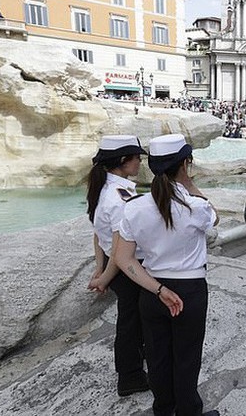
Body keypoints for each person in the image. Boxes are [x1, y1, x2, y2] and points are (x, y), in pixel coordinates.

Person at [114, 133, 220, 416]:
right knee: (186, 359)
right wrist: (188, 182)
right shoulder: (195, 207)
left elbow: (124, 260)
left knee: (158, 358)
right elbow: (215, 218)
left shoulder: (133, 207)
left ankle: (163, 410)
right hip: (190, 292)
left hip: (152, 292)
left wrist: (159, 290)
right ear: (185, 164)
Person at [86, 134, 149, 397]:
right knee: (131, 325)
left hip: (117, 269)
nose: (139, 162)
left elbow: (98, 235)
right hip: (127, 268)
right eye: (137, 158)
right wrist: (104, 277)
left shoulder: (106, 189)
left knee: (132, 321)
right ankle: (131, 377)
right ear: (124, 161)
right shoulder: (119, 198)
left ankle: (132, 368)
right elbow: (120, 248)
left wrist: (100, 269)